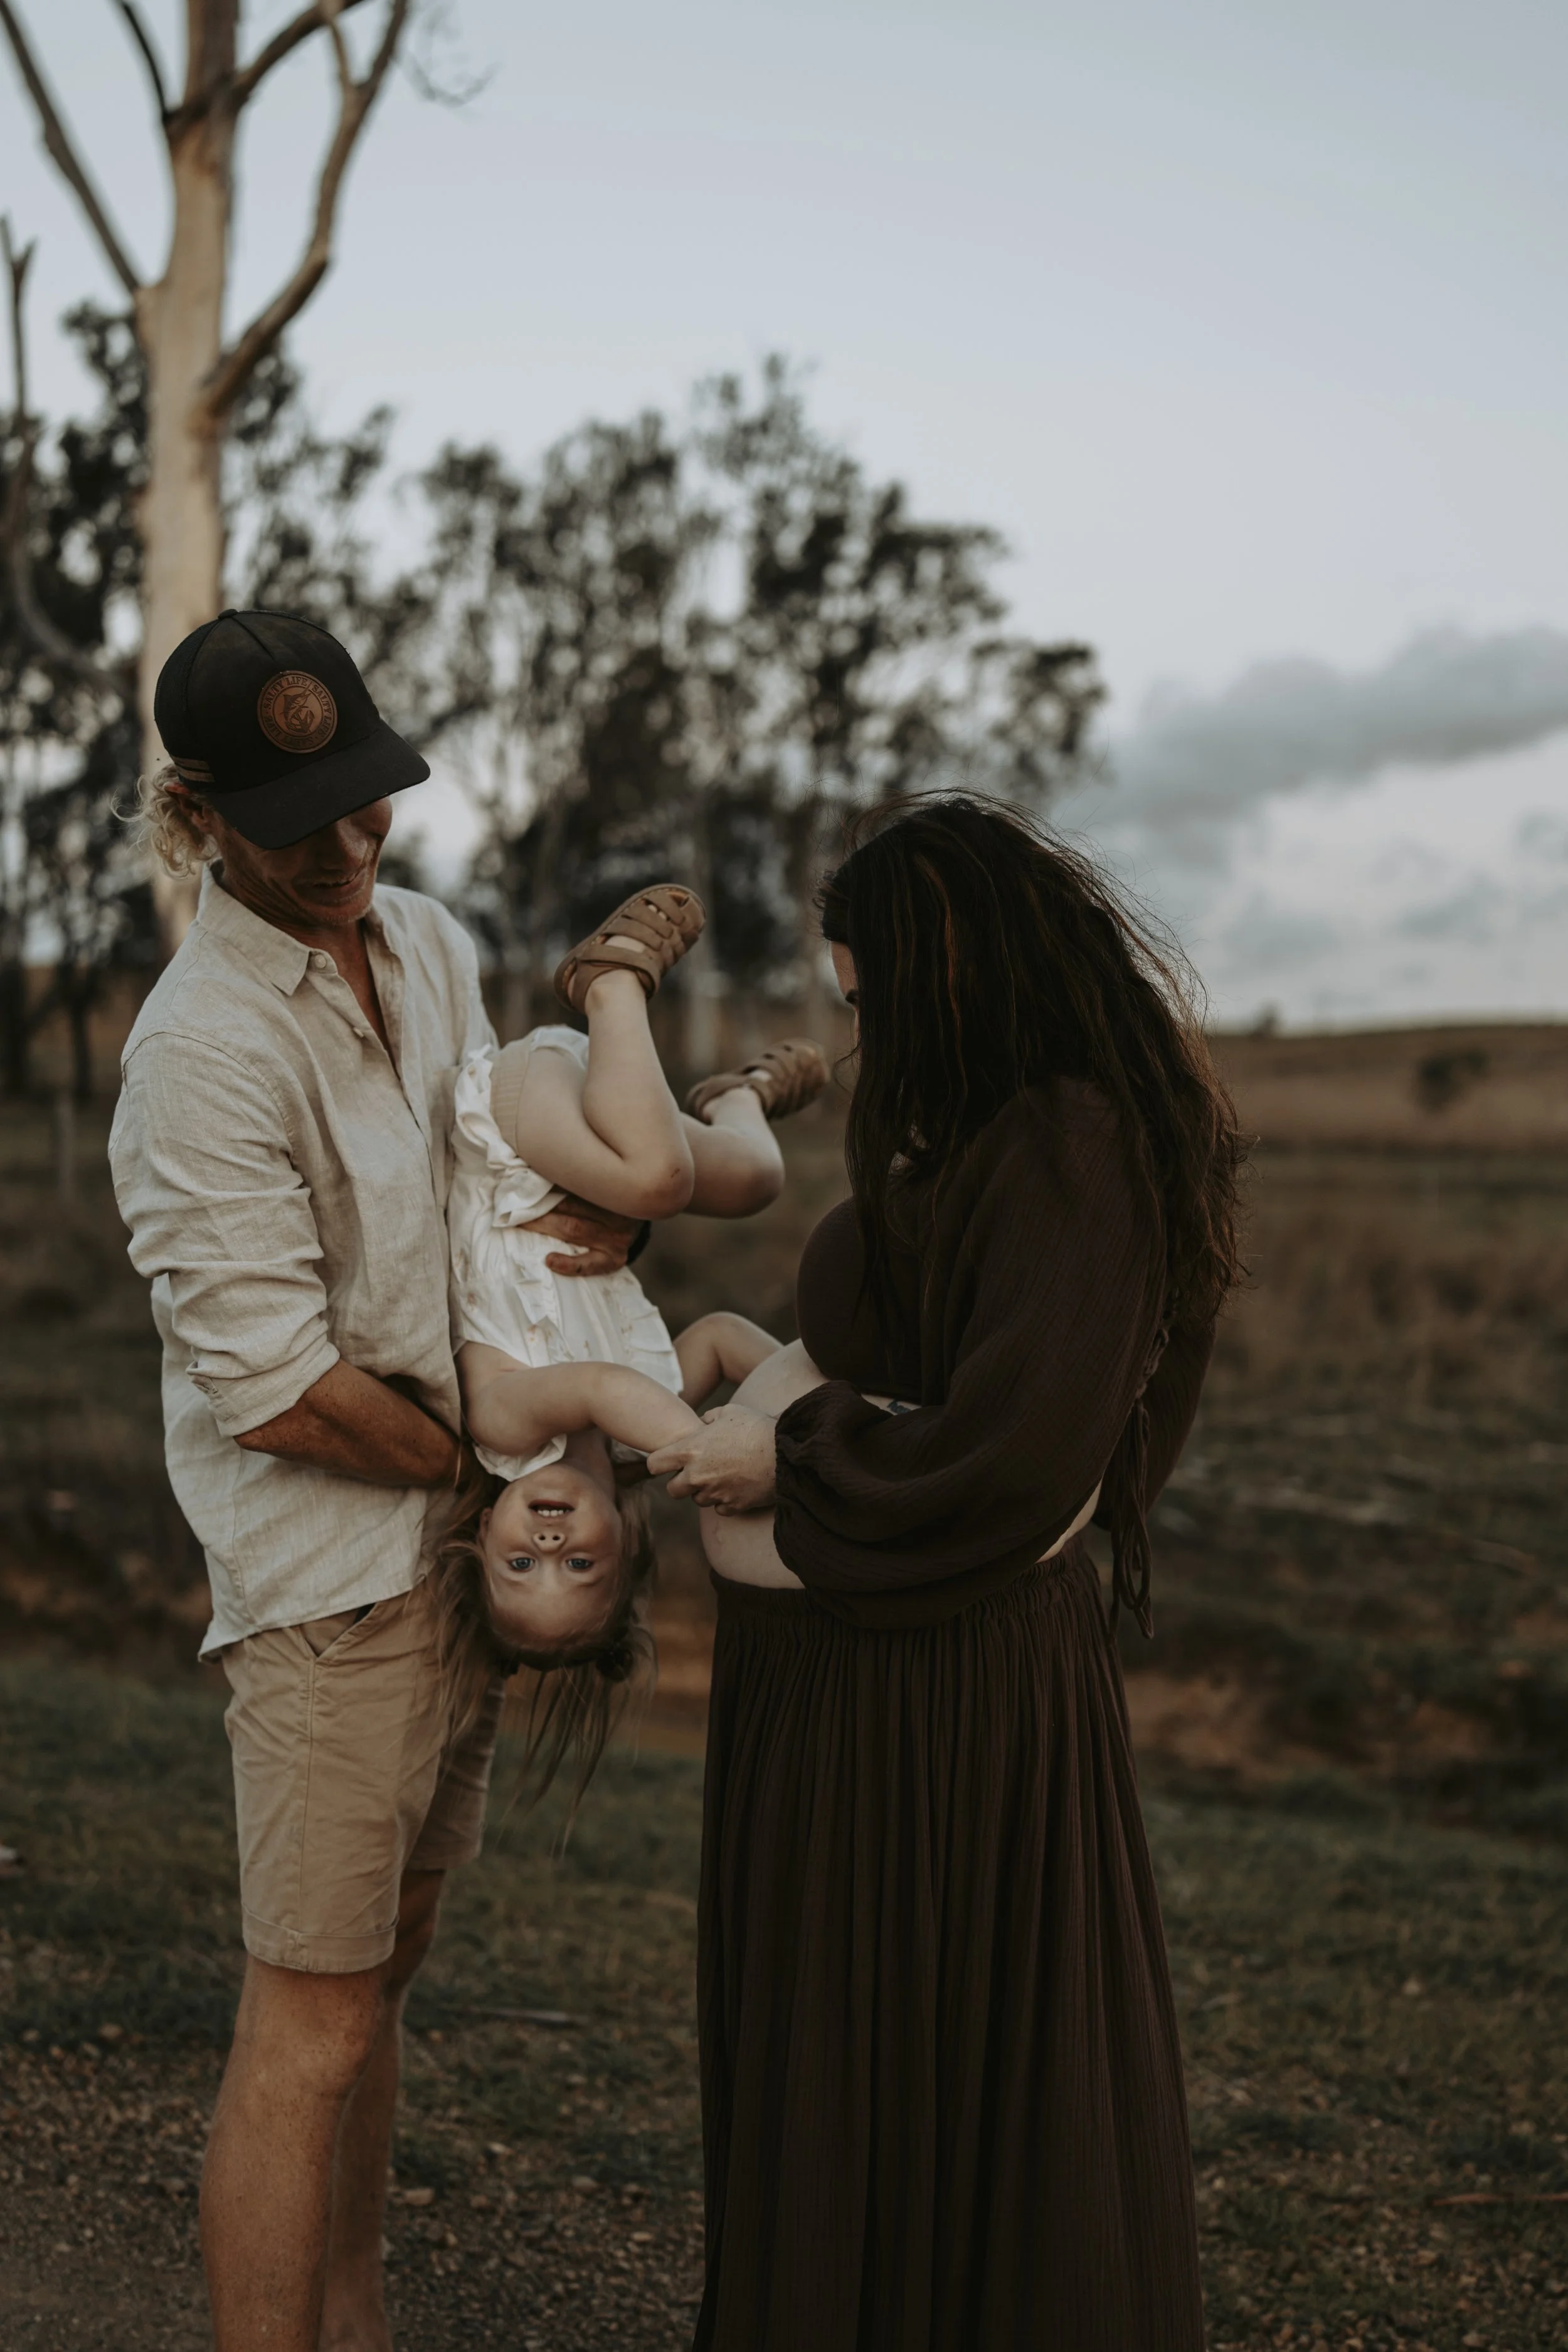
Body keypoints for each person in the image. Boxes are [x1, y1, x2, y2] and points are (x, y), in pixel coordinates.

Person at [109, 607, 640, 2352]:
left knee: (382, 1979)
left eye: (367, 796)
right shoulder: (197, 1054)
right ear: (196, 811)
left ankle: (357, 2324)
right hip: (335, 1586)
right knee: (310, 2018)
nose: (351, 844)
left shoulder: (425, 937)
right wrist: (492, 1460)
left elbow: (489, 1170)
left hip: (452, 1545)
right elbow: (276, 1392)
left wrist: (599, 1208)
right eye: (298, 817)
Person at [649, 795, 1244, 2352]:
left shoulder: (1071, 1142)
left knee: (933, 2061)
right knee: (841, 2065)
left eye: (871, 992)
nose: (859, 1027)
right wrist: (758, 1360)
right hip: (850, 1687)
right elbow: (918, 1356)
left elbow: (1014, 1448)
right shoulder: (969, 1129)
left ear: (949, 972)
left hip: (944, 1703)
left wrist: (793, 1451)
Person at [432, 883, 824, 1754]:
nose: (547, 1539)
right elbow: (722, 1336)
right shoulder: (640, 1443)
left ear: (484, 1536)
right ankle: (744, 1095)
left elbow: (603, 1387)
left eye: (519, 1563)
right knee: (755, 1179)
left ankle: (607, 980)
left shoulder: (499, 1422)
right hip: (593, 1150)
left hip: (512, 1130)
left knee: (661, 1181)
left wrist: (714, 1451)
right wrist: (806, 1415)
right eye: (579, 1566)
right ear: (628, 1548)